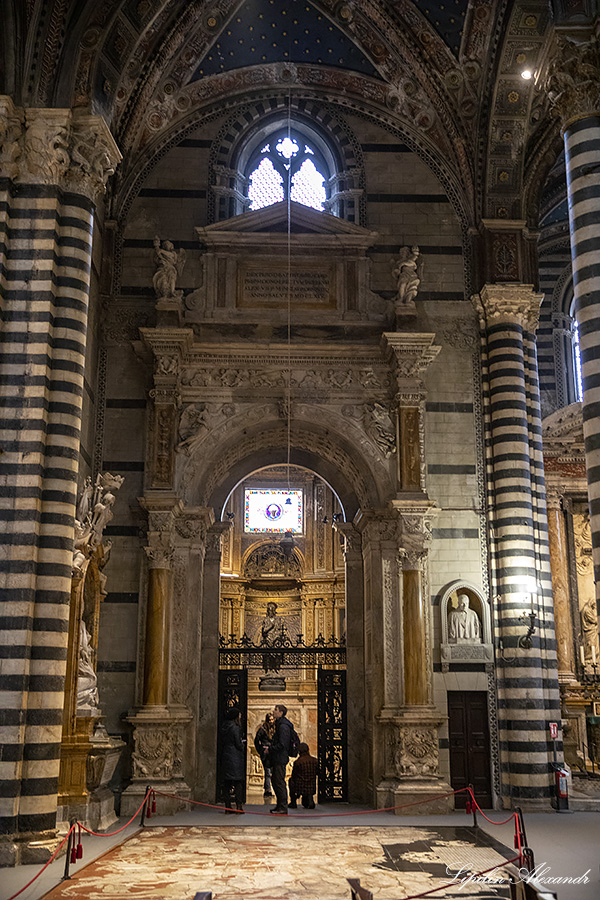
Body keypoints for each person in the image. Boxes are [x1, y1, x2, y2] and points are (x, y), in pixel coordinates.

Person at [268, 703, 294, 814]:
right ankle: (279, 805)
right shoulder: (280, 724)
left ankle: (283, 807)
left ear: (281, 713)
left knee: (279, 782)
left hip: (280, 757)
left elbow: (283, 744)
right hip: (278, 757)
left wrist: (270, 749)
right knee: (275, 781)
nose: (273, 711)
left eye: (276, 709)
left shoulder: (283, 726)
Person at [220, 707, 246, 814]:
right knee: (238, 782)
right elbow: (238, 744)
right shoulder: (235, 727)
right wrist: (242, 744)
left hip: (226, 755)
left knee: (227, 783)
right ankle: (238, 807)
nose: (240, 717)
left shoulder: (224, 726)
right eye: (239, 715)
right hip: (235, 756)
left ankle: (228, 807)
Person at [288, 743, 318, 809]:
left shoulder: (298, 762)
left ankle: (293, 802)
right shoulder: (315, 761)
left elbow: (294, 775)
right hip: (311, 785)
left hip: (300, 786)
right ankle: (309, 798)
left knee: (290, 780)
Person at [254, 712, 275, 797]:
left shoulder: (275, 728)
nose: (271, 721)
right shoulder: (263, 729)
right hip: (266, 752)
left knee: (273, 772)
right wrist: (261, 749)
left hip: (273, 751)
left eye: (272, 719)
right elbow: (256, 740)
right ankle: (268, 790)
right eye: (269, 720)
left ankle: (272, 788)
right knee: (267, 771)